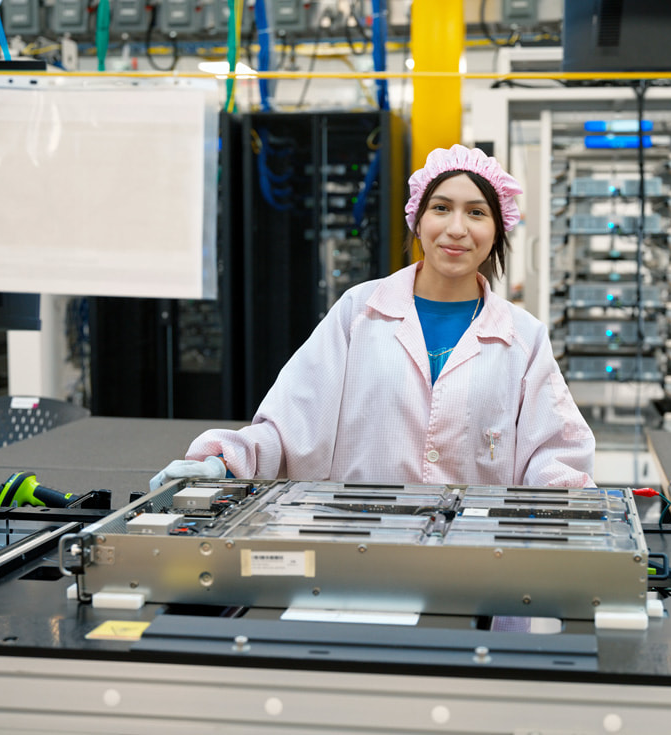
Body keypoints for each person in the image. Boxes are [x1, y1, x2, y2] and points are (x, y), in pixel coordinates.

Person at [151, 144, 595, 490]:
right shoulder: (358, 312)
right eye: (441, 208)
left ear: (498, 230)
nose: (457, 228)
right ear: (417, 221)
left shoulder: (523, 337)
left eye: (476, 213)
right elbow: (288, 431)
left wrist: (577, 506)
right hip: (359, 552)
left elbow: (554, 455)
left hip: (477, 565)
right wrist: (221, 462)